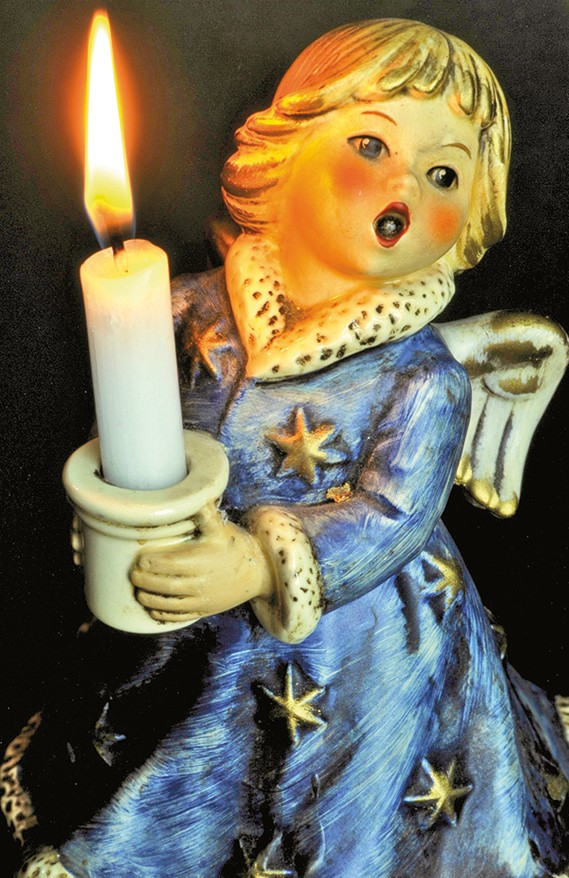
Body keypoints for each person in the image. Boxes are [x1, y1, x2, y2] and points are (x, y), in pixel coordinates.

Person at [6, 19, 569, 878]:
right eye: (370, 144)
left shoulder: (423, 378)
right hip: (184, 579)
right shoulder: (181, 309)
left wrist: (263, 565)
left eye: (443, 173)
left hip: (348, 632)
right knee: (172, 725)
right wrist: (115, 509)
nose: (402, 185)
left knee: (316, 760)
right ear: (280, 156)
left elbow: (391, 517)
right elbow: (130, 412)